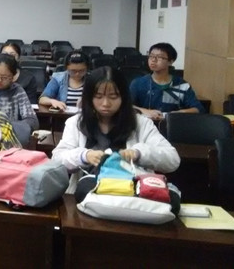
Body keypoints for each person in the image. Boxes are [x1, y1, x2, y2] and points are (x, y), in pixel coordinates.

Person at [52, 66, 180, 193]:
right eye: (98, 97)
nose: (106, 103)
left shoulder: (141, 123)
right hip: (88, 194)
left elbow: (172, 159)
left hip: (131, 195)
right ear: (89, 97)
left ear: (123, 97)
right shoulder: (76, 123)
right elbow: (57, 160)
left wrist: (139, 153)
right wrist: (83, 156)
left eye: (113, 97)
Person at [129, 42, 205, 120]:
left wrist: (177, 113)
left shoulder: (182, 85)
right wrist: (145, 111)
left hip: (173, 124)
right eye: (151, 56)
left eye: (159, 57)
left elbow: (198, 109)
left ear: (170, 61)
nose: (153, 60)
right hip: (146, 124)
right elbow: (126, 106)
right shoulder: (138, 83)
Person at [0, 54, 38, 145]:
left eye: (4, 77)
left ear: (13, 77)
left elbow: (32, 120)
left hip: (8, 137)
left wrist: (7, 127)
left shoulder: (17, 91)